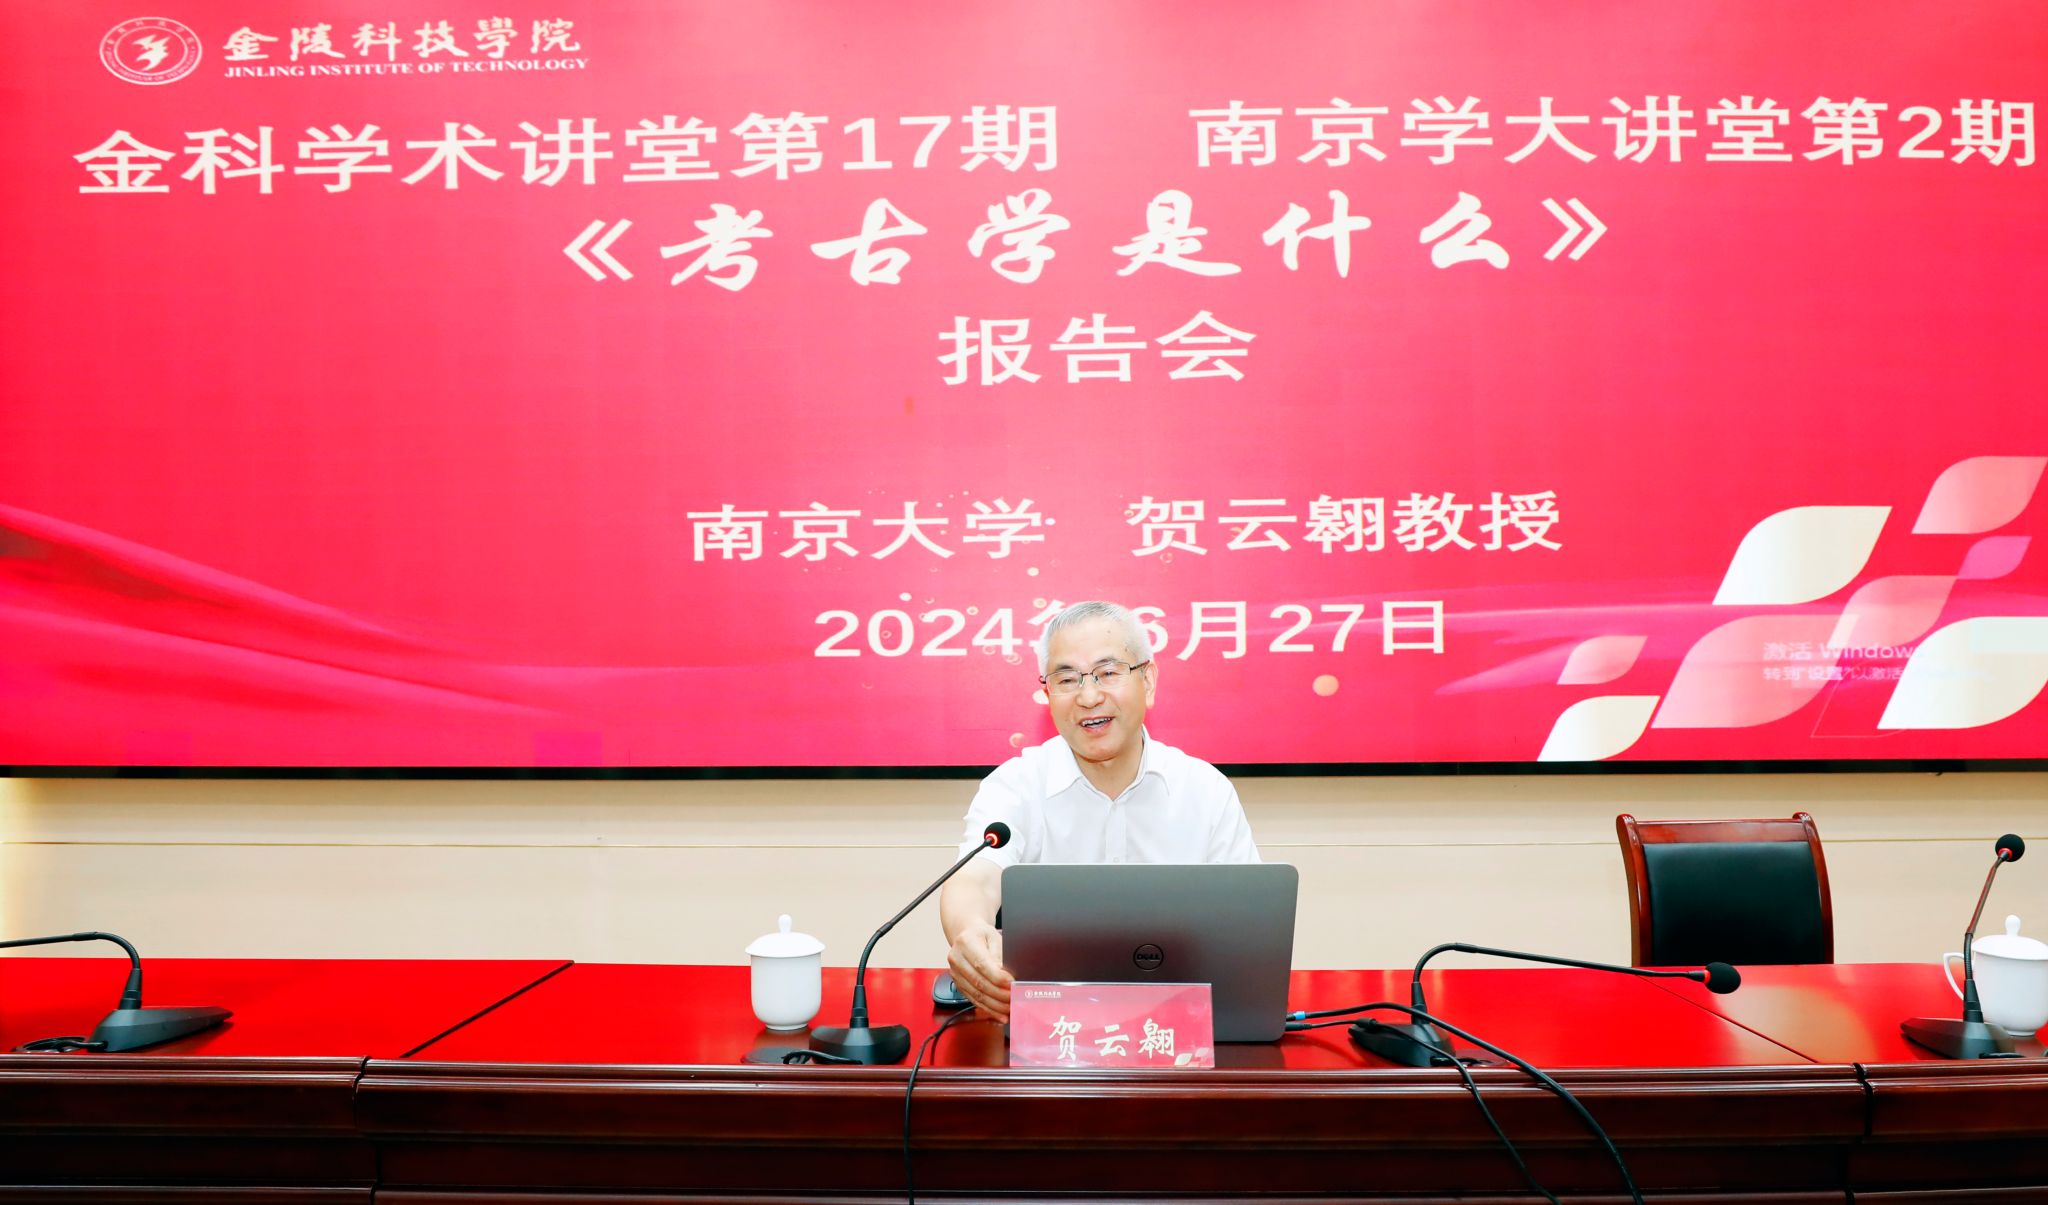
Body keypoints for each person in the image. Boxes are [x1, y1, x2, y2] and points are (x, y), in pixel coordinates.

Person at [938, 599, 1260, 1020]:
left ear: (1148, 680)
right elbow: (975, 880)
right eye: (1067, 679)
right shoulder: (1016, 785)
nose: (1089, 697)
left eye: (1108, 673)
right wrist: (971, 933)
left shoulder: (1205, 790)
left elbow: (1249, 924)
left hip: (1178, 1023)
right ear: (1048, 693)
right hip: (1047, 1028)